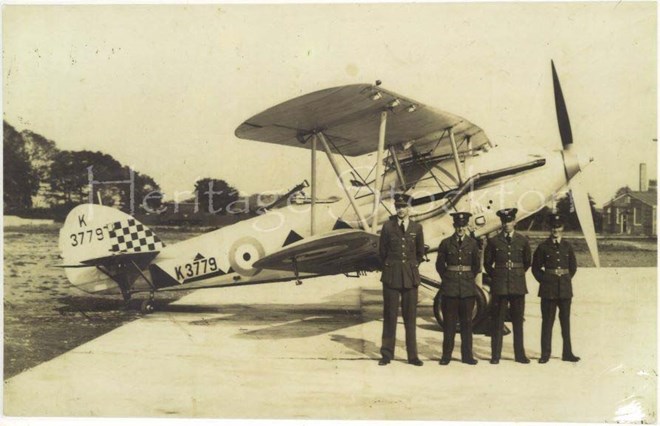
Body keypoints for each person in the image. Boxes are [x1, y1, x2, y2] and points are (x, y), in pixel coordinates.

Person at [378, 193, 425, 367]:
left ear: (409, 209)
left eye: (403, 207)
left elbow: (420, 253)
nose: (400, 210)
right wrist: (392, 266)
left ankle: (412, 356)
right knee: (389, 316)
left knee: (410, 317)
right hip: (391, 276)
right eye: (398, 207)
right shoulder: (388, 227)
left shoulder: (417, 228)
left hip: (410, 277)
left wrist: (410, 267)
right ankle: (386, 354)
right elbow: (382, 252)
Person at [484, 208, 532, 364]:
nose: (507, 224)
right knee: (498, 321)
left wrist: (516, 273)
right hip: (500, 286)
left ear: (515, 222)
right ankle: (495, 355)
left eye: (509, 221)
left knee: (518, 321)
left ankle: (520, 355)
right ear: (501, 223)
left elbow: (526, 262)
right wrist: (497, 275)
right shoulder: (493, 241)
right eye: (504, 222)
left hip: (517, 285)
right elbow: (487, 264)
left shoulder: (523, 240)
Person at [532, 214, 580, 363]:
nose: (556, 230)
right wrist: (546, 280)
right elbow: (535, 268)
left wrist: (564, 279)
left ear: (562, 228)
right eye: (553, 227)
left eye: (558, 227)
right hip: (548, 291)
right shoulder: (543, 247)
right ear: (550, 229)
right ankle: (545, 354)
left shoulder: (567, 246)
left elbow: (572, 267)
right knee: (547, 322)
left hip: (565, 290)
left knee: (565, 323)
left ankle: (567, 353)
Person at [435, 212, 481, 365]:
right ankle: (446, 356)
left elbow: (476, 266)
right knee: (449, 323)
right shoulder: (446, 243)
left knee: (467, 324)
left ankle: (467, 356)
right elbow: (440, 266)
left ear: (467, 226)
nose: (460, 228)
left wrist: (467, 278)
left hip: (467, 289)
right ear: (454, 226)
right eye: (458, 226)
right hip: (451, 288)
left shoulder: (473, 244)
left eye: (463, 225)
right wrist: (448, 278)